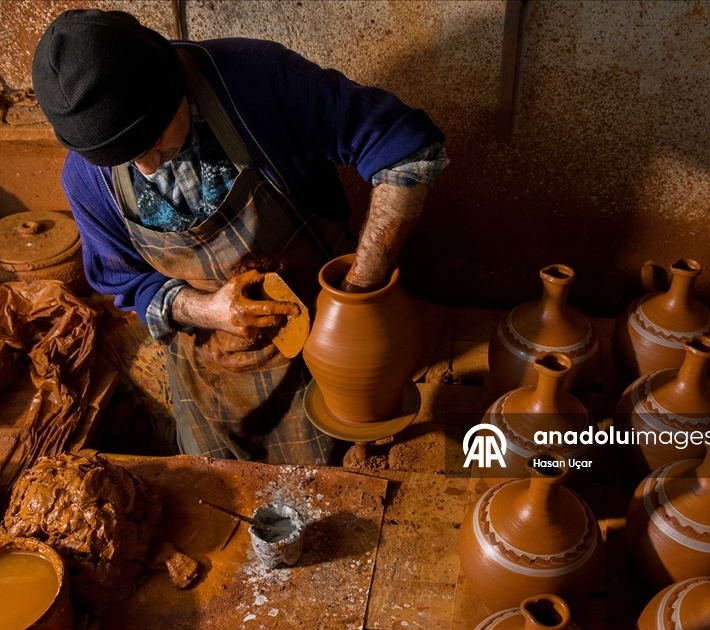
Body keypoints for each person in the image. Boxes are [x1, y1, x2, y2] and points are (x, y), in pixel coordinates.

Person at [32, 10, 448, 465]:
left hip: (321, 358)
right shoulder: (87, 180)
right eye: (126, 159)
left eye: (152, 141)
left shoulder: (254, 82)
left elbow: (407, 148)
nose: (150, 167)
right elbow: (129, 283)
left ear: (174, 86)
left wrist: (360, 290)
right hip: (211, 382)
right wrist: (206, 310)